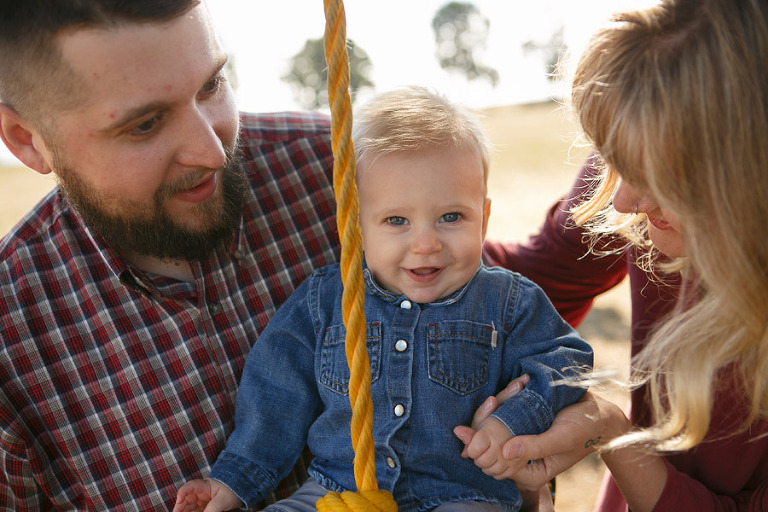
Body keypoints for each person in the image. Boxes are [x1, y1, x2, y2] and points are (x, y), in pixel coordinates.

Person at [172, 87, 593, 512]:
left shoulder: (506, 302)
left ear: (482, 219)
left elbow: (567, 362)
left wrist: (512, 420)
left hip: (459, 494)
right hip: (337, 491)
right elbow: (276, 395)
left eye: (451, 217)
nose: (425, 243)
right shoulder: (326, 301)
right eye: (397, 220)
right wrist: (233, 481)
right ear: (354, 226)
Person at [0, 1, 342, 510]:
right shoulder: (10, 343)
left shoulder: (346, 172)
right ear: (28, 142)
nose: (213, 151)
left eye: (212, 85)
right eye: (145, 125)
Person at [465, 0, 768, 510]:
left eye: (663, 179)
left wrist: (609, 431)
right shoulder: (642, 144)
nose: (622, 199)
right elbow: (544, 273)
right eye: (613, 159)